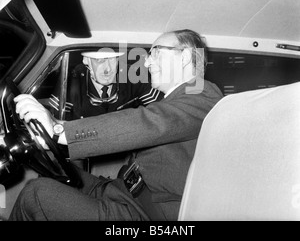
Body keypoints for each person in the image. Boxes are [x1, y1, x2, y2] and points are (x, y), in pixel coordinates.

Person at [9, 29, 223, 221]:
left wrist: (59, 130)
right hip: (124, 192)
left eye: (155, 52)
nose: (147, 63)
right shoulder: (175, 100)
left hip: (145, 212)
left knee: (36, 195)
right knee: (51, 174)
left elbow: (148, 122)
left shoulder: (202, 93)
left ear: (184, 56)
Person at [48, 49, 164, 120]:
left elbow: (162, 109)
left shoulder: (133, 76)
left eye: (112, 60)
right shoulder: (70, 81)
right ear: (86, 61)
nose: (107, 69)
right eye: (99, 61)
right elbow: (57, 121)